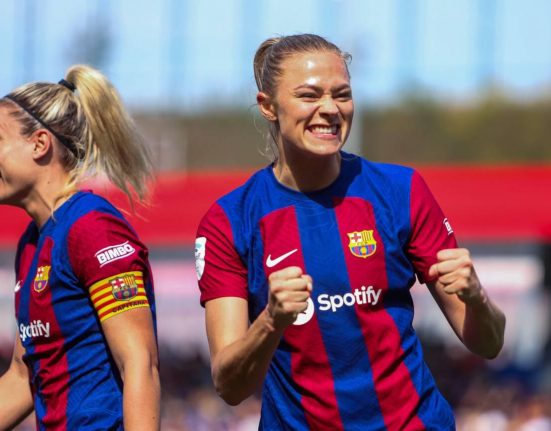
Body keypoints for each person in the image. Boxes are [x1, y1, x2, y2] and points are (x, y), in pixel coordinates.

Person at [195, 34, 506, 430]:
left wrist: (476, 296)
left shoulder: (400, 191)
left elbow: (488, 343)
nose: (330, 109)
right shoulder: (230, 220)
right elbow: (229, 385)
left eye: (342, 94)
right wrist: (272, 320)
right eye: (310, 95)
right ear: (268, 107)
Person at [0, 65, 160, 430]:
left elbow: (139, 363)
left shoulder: (92, 227)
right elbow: (22, 378)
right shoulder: (31, 243)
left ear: (40, 144)